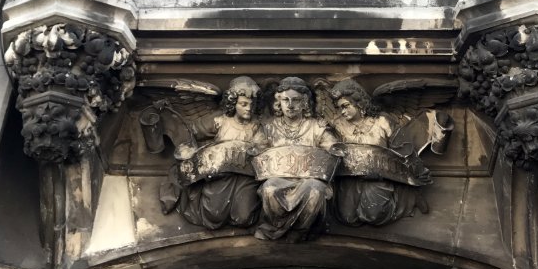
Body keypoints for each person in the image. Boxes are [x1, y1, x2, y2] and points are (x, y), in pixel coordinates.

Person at [255, 77, 339, 241]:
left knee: (315, 190)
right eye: (285, 100)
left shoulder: (317, 126)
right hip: (279, 177)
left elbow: (332, 147)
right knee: (269, 189)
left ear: (304, 103)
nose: (290, 105)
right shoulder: (269, 127)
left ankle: (302, 230)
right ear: (279, 102)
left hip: (308, 178)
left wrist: (332, 148)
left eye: (296, 100)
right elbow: (257, 148)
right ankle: (277, 227)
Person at [177, 76, 266, 230]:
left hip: (246, 177)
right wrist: (192, 150)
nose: (248, 109)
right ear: (233, 103)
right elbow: (191, 132)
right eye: (243, 104)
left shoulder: (257, 126)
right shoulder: (220, 121)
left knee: (243, 217)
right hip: (221, 175)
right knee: (214, 214)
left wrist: (254, 150)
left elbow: (262, 147)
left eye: (252, 105)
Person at [329, 79, 418, 226]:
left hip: (380, 177)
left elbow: (403, 150)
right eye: (339, 108)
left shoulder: (382, 121)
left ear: (358, 102)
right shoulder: (338, 125)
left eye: (345, 106)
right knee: (347, 218)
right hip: (350, 178)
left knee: (373, 215)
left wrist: (384, 171)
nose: (342, 112)